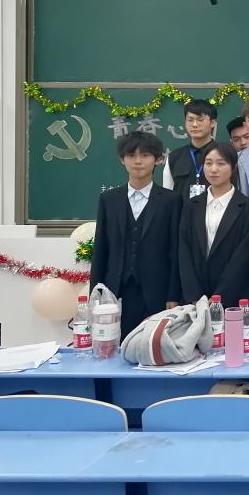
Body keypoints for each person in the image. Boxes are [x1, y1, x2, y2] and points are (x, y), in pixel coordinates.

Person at [91, 132, 181, 340]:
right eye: (131, 155)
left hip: (157, 290)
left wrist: (173, 295)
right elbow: (101, 249)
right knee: (114, 345)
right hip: (116, 290)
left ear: (157, 159)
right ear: (122, 160)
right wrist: (96, 294)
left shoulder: (171, 200)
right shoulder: (109, 200)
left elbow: (176, 251)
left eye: (145, 155)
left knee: (154, 345)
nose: (138, 161)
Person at [179, 143, 249, 313]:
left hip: (234, 296)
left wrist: (220, 296)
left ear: (233, 167)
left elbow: (242, 256)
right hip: (196, 298)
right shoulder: (191, 205)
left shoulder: (248, 207)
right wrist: (196, 295)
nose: (213, 169)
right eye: (208, 163)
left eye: (221, 163)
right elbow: (184, 249)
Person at [162, 100, 217, 201]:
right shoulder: (174, 157)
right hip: (181, 211)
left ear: (212, 123)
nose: (194, 124)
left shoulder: (225, 155)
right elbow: (167, 194)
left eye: (200, 120)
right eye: (190, 120)